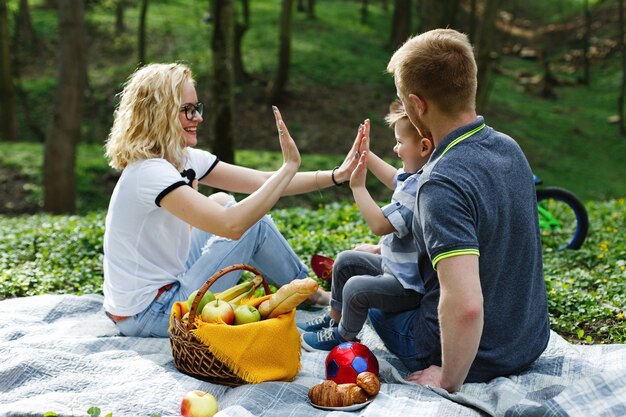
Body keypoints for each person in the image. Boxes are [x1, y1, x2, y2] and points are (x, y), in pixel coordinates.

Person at [102, 62, 362, 337]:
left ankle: (311, 294)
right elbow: (232, 226)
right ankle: (312, 295)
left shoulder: (181, 158)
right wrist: (288, 167)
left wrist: (335, 175)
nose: (198, 117)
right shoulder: (149, 172)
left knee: (222, 200)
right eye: (187, 110)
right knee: (251, 223)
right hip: (150, 314)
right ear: (159, 114)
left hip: (163, 289)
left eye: (197, 108)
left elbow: (263, 181)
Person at [367, 29, 550, 392]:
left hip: (478, 357)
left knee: (370, 301)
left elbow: (465, 305)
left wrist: (449, 378)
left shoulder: (440, 182)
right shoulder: (509, 147)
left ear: (418, 105)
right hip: (529, 340)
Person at [298, 101, 435, 352]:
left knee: (356, 288)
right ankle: (334, 317)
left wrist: (358, 187)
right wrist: (365, 153)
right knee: (345, 261)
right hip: (393, 267)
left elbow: (380, 225)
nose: (395, 149)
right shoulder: (415, 176)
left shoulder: (421, 188)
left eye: (400, 142)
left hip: (406, 286)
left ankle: (344, 337)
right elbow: (394, 178)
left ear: (424, 147)